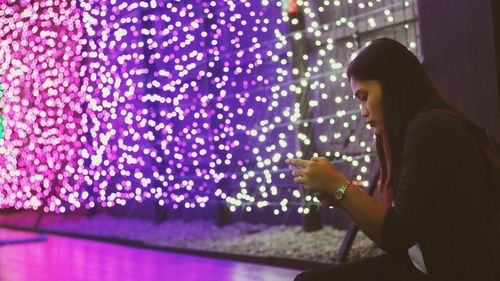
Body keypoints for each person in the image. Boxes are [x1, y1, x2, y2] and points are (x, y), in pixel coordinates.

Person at [286, 38, 499, 281]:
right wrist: (340, 197)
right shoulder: (421, 128)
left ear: (393, 85)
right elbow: (399, 231)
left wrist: (338, 185)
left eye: (364, 96)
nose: (363, 111)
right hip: (428, 263)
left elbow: (396, 234)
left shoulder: (431, 128)